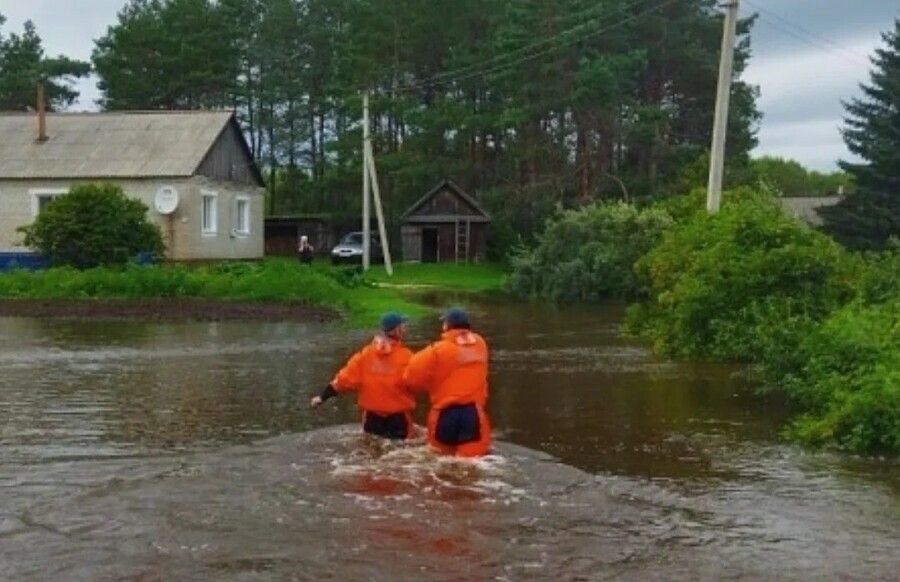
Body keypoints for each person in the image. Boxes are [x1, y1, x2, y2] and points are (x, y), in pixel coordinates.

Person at [310, 312, 416, 440]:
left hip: (372, 420)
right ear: (396, 330)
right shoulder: (407, 356)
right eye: (403, 326)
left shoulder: (365, 355)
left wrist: (322, 397)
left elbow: (343, 380)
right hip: (399, 420)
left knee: (371, 452)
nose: (406, 329)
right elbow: (419, 383)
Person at [403, 307, 491, 457]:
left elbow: (411, 377)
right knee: (472, 463)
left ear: (446, 325)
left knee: (440, 461)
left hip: (444, 414)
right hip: (473, 414)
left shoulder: (437, 350)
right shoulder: (481, 345)